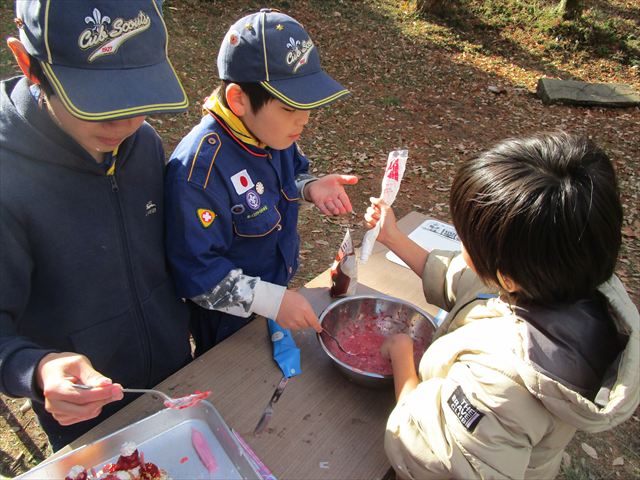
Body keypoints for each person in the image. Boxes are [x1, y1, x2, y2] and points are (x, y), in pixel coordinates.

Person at [364, 132, 639, 479]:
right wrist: (393, 238)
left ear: (507, 278)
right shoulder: (564, 279)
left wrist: (403, 355)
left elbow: (425, 452)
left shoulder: (502, 385)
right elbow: (466, 280)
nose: (461, 243)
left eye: (464, 239)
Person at [0, 0, 192, 451]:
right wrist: (38, 368)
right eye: (96, 101)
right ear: (28, 64)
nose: (125, 123)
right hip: (85, 416)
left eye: (140, 95)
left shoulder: (142, 144)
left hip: (174, 377)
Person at [165, 9, 357, 355]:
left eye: (307, 105)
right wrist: (272, 301)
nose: (304, 120)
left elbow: (292, 173)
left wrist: (310, 186)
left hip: (275, 293)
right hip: (225, 322)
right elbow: (198, 274)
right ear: (239, 99)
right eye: (289, 108)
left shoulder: (271, 134)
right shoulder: (198, 172)